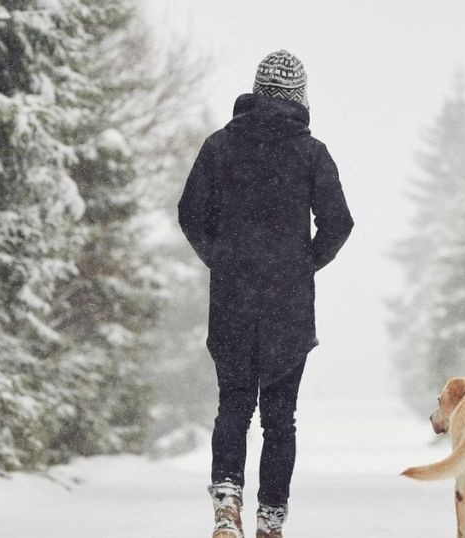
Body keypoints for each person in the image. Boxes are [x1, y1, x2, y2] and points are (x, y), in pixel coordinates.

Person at [178, 49, 354, 538]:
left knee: (233, 404)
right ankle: (270, 521)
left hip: (232, 299)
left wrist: (222, 257)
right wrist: (303, 265)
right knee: (281, 420)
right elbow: (339, 222)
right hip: (288, 305)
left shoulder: (220, 146)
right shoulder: (311, 152)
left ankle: (226, 503)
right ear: (299, 98)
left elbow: (190, 213)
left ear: (255, 92)